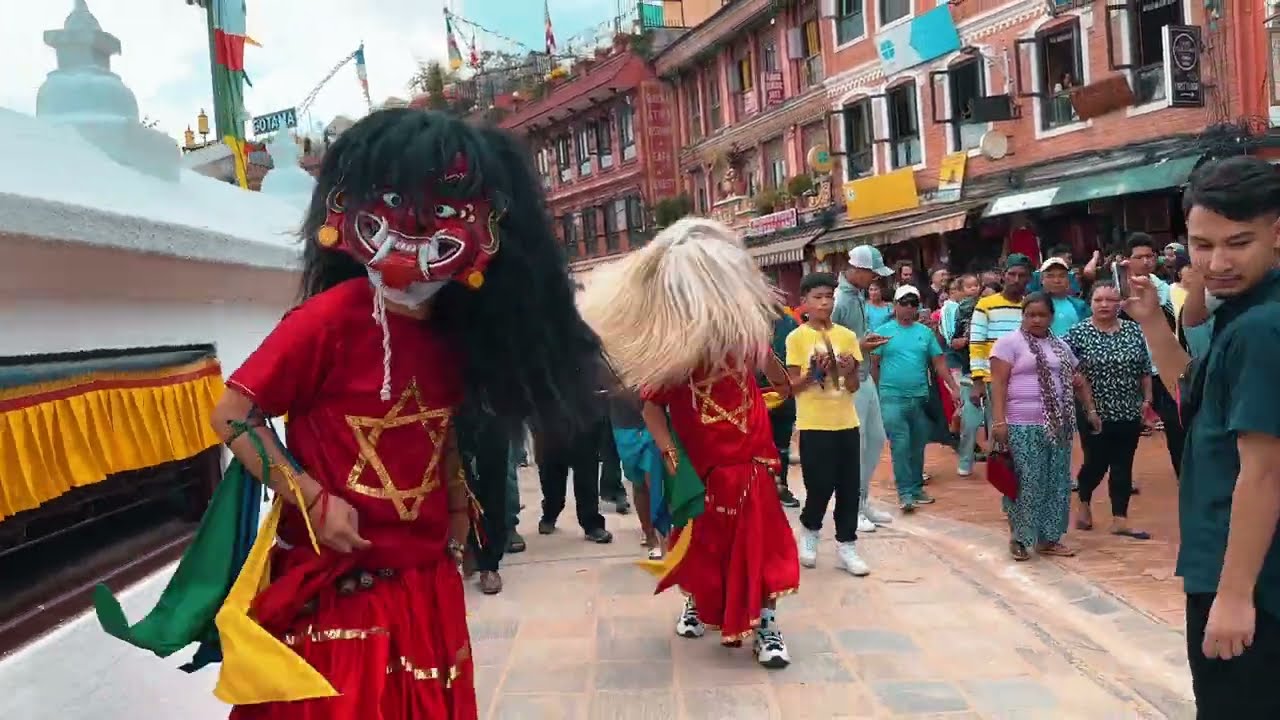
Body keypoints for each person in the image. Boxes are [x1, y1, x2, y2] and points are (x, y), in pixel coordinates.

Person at [100, 109, 607, 718]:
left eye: (442, 208)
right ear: (350, 208)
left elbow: (440, 426)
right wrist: (312, 499)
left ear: (490, 230)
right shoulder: (326, 321)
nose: (414, 223)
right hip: (339, 583)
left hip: (425, 580)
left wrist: (454, 508)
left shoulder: (460, 330)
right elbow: (233, 415)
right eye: (394, 200)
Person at [579, 217, 800, 669]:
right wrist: (671, 455)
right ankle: (697, 601)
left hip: (753, 469)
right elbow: (650, 408)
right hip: (700, 474)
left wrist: (766, 344)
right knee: (701, 546)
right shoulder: (675, 359)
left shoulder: (749, 347)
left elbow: (785, 385)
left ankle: (768, 627)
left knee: (761, 547)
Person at [1126, 156, 1280, 716]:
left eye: (1237, 243)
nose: (1216, 263)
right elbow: (1194, 396)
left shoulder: (1263, 326)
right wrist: (1150, 323)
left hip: (1251, 579)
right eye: (1201, 244)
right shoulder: (1245, 312)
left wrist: (1235, 596)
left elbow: (1264, 472)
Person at [989, 293, 1099, 562]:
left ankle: (1049, 538)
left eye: (1042, 315)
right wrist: (999, 421)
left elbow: (1078, 379)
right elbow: (999, 385)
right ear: (1022, 316)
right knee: (1028, 482)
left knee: (1057, 482)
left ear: (1051, 317)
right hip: (1021, 424)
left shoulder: (1060, 346)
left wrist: (1091, 410)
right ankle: (1020, 538)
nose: (1036, 320)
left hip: (1058, 425)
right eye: (1030, 315)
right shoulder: (1008, 344)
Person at [786, 273, 870, 575]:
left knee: (849, 487)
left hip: (846, 421)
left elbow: (853, 386)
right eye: (817, 297)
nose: (824, 302)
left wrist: (848, 370)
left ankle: (847, 545)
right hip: (813, 424)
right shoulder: (796, 338)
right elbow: (790, 386)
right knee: (819, 486)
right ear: (804, 303)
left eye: (829, 297)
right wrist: (811, 375)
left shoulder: (847, 336)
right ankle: (810, 529)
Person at [1064, 282, 1151, 540]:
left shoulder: (1133, 331)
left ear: (1119, 303)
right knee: (1097, 461)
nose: (1104, 305)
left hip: (1128, 408)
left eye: (1110, 300)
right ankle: (1084, 500)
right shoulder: (1078, 333)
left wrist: (1147, 399)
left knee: (1124, 463)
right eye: (1098, 300)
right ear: (1090, 303)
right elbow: (1067, 366)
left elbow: (1144, 367)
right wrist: (1086, 401)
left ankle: (1120, 519)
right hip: (1093, 409)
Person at [872, 285, 962, 511]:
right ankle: (905, 493)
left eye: (914, 303)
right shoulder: (883, 332)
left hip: (920, 398)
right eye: (905, 303)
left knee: (917, 445)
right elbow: (873, 364)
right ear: (895, 305)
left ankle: (915, 488)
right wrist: (876, 392)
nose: (910, 307)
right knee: (900, 444)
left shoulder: (925, 333)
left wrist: (954, 388)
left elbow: (939, 362)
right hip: (892, 398)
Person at [832, 246, 895, 532]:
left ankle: (862, 500)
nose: (874, 280)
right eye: (871, 273)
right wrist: (860, 345)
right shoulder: (838, 300)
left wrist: (864, 341)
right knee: (854, 447)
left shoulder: (856, 295)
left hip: (865, 375)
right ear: (857, 270)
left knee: (875, 439)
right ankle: (851, 508)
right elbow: (826, 345)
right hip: (849, 380)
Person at [456, 402, 512, 595]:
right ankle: (468, 545)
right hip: (448, 402)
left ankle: (489, 564)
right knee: (459, 482)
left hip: (492, 399)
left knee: (495, 486)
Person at [969, 254, 1032, 414]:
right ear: (1003, 276)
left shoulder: (1030, 307)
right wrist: (978, 381)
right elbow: (977, 344)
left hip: (1023, 378)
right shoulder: (985, 305)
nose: (1016, 279)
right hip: (993, 379)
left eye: (1022, 275)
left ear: (1029, 278)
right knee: (998, 428)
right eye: (1012, 274)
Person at [608, 388, 666, 558]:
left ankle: (660, 538)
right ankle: (648, 533)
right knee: (639, 482)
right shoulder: (610, 362)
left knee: (654, 477)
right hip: (624, 423)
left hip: (655, 418)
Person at [535, 419, 614, 543]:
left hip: (583, 417)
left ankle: (592, 525)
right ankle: (549, 514)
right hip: (550, 417)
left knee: (587, 474)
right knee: (551, 475)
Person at [764, 304, 802, 507]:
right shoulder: (740, 322)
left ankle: (782, 486)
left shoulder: (789, 322)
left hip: (784, 391)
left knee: (782, 444)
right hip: (753, 394)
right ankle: (762, 490)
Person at [1038, 257, 1091, 336]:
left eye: (1062, 276)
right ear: (1042, 280)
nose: (1056, 280)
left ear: (1068, 279)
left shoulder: (1080, 306)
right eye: (1050, 276)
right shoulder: (1034, 304)